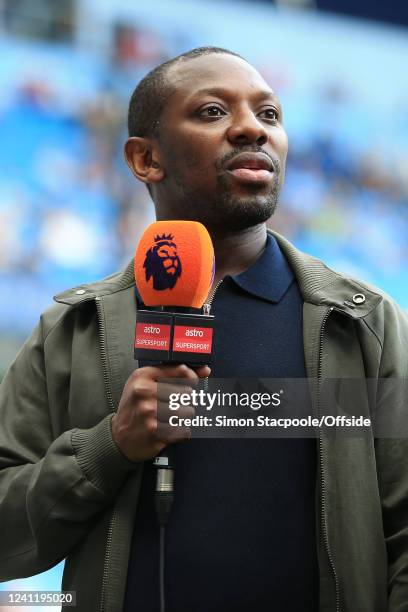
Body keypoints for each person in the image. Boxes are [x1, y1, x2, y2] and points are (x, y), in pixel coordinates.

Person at [0, 46, 407, 612]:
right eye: (214, 111)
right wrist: (110, 446)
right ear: (146, 159)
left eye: (269, 115)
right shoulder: (72, 329)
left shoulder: (362, 322)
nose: (251, 129)